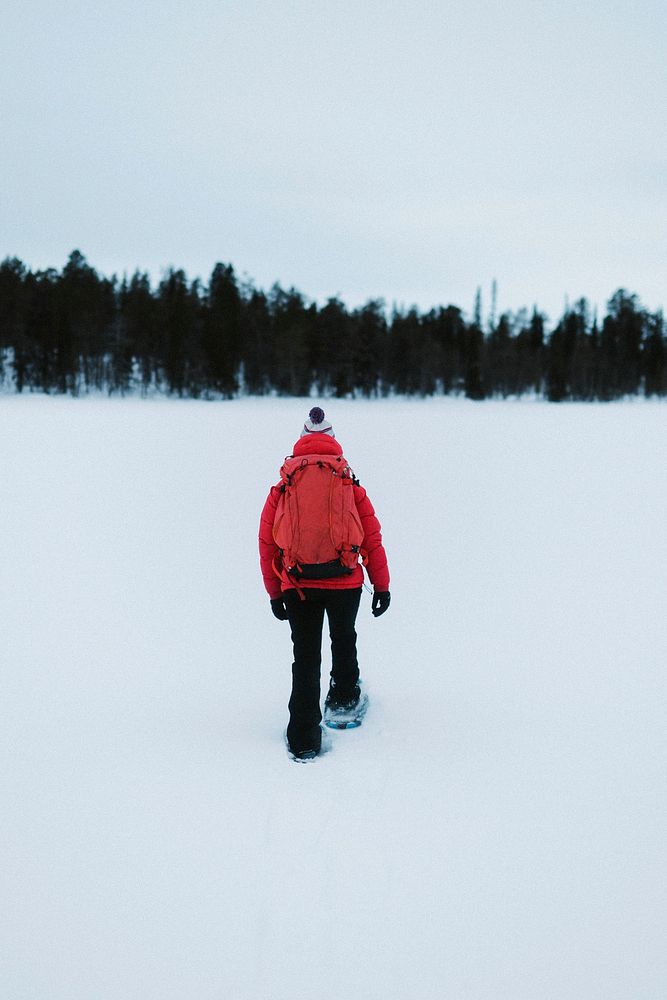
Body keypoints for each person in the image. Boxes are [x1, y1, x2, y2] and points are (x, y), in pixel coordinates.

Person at [258, 407, 391, 759]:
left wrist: (274, 591)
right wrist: (381, 585)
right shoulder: (347, 480)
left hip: (298, 583)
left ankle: (303, 736)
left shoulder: (285, 483)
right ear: (332, 439)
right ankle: (345, 698)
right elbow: (371, 537)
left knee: (305, 656)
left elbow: (267, 541)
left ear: (302, 440)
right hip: (344, 580)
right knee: (343, 638)